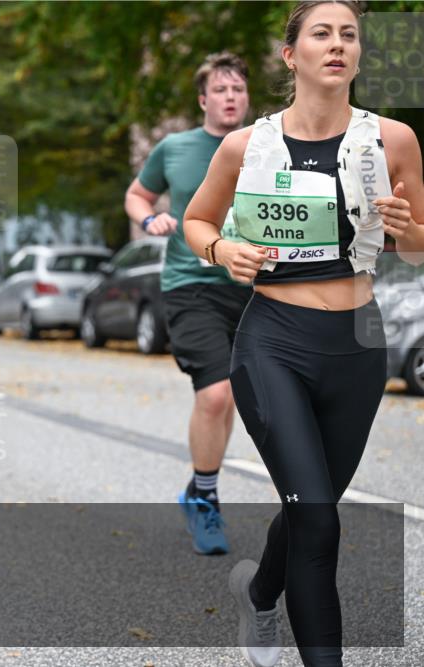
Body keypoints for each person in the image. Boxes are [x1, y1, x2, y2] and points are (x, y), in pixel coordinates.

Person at [184, 3, 423, 665]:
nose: (338, 44)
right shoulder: (246, 145)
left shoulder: (393, 141)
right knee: (319, 519)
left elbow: (421, 243)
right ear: (291, 56)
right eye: (322, 33)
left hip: (358, 343)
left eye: (349, 34)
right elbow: (197, 221)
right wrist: (221, 251)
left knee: (308, 506)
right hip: (273, 341)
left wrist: (406, 231)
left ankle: (259, 594)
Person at [125, 51, 251, 555]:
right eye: (220, 90)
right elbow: (138, 194)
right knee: (215, 394)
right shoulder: (174, 148)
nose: (229, 97)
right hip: (188, 284)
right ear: (204, 99)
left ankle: (200, 487)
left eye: (238, 90)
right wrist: (147, 219)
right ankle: (205, 497)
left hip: (249, 288)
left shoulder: (264, 146)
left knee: (234, 396)